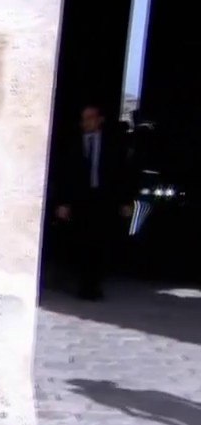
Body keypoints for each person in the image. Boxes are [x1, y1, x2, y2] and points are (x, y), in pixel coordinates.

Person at [53, 103, 129, 300]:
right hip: (80, 199)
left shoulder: (113, 144)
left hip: (104, 199)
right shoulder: (72, 144)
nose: (86, 122)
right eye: (84, 118)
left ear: (100, 119)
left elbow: (123, 173)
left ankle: (94, 283)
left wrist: (125, 201)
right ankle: (85, 283)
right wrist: (62, 202)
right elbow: (63, 174)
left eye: (90, 118)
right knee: (82, 240)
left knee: (101, 241)